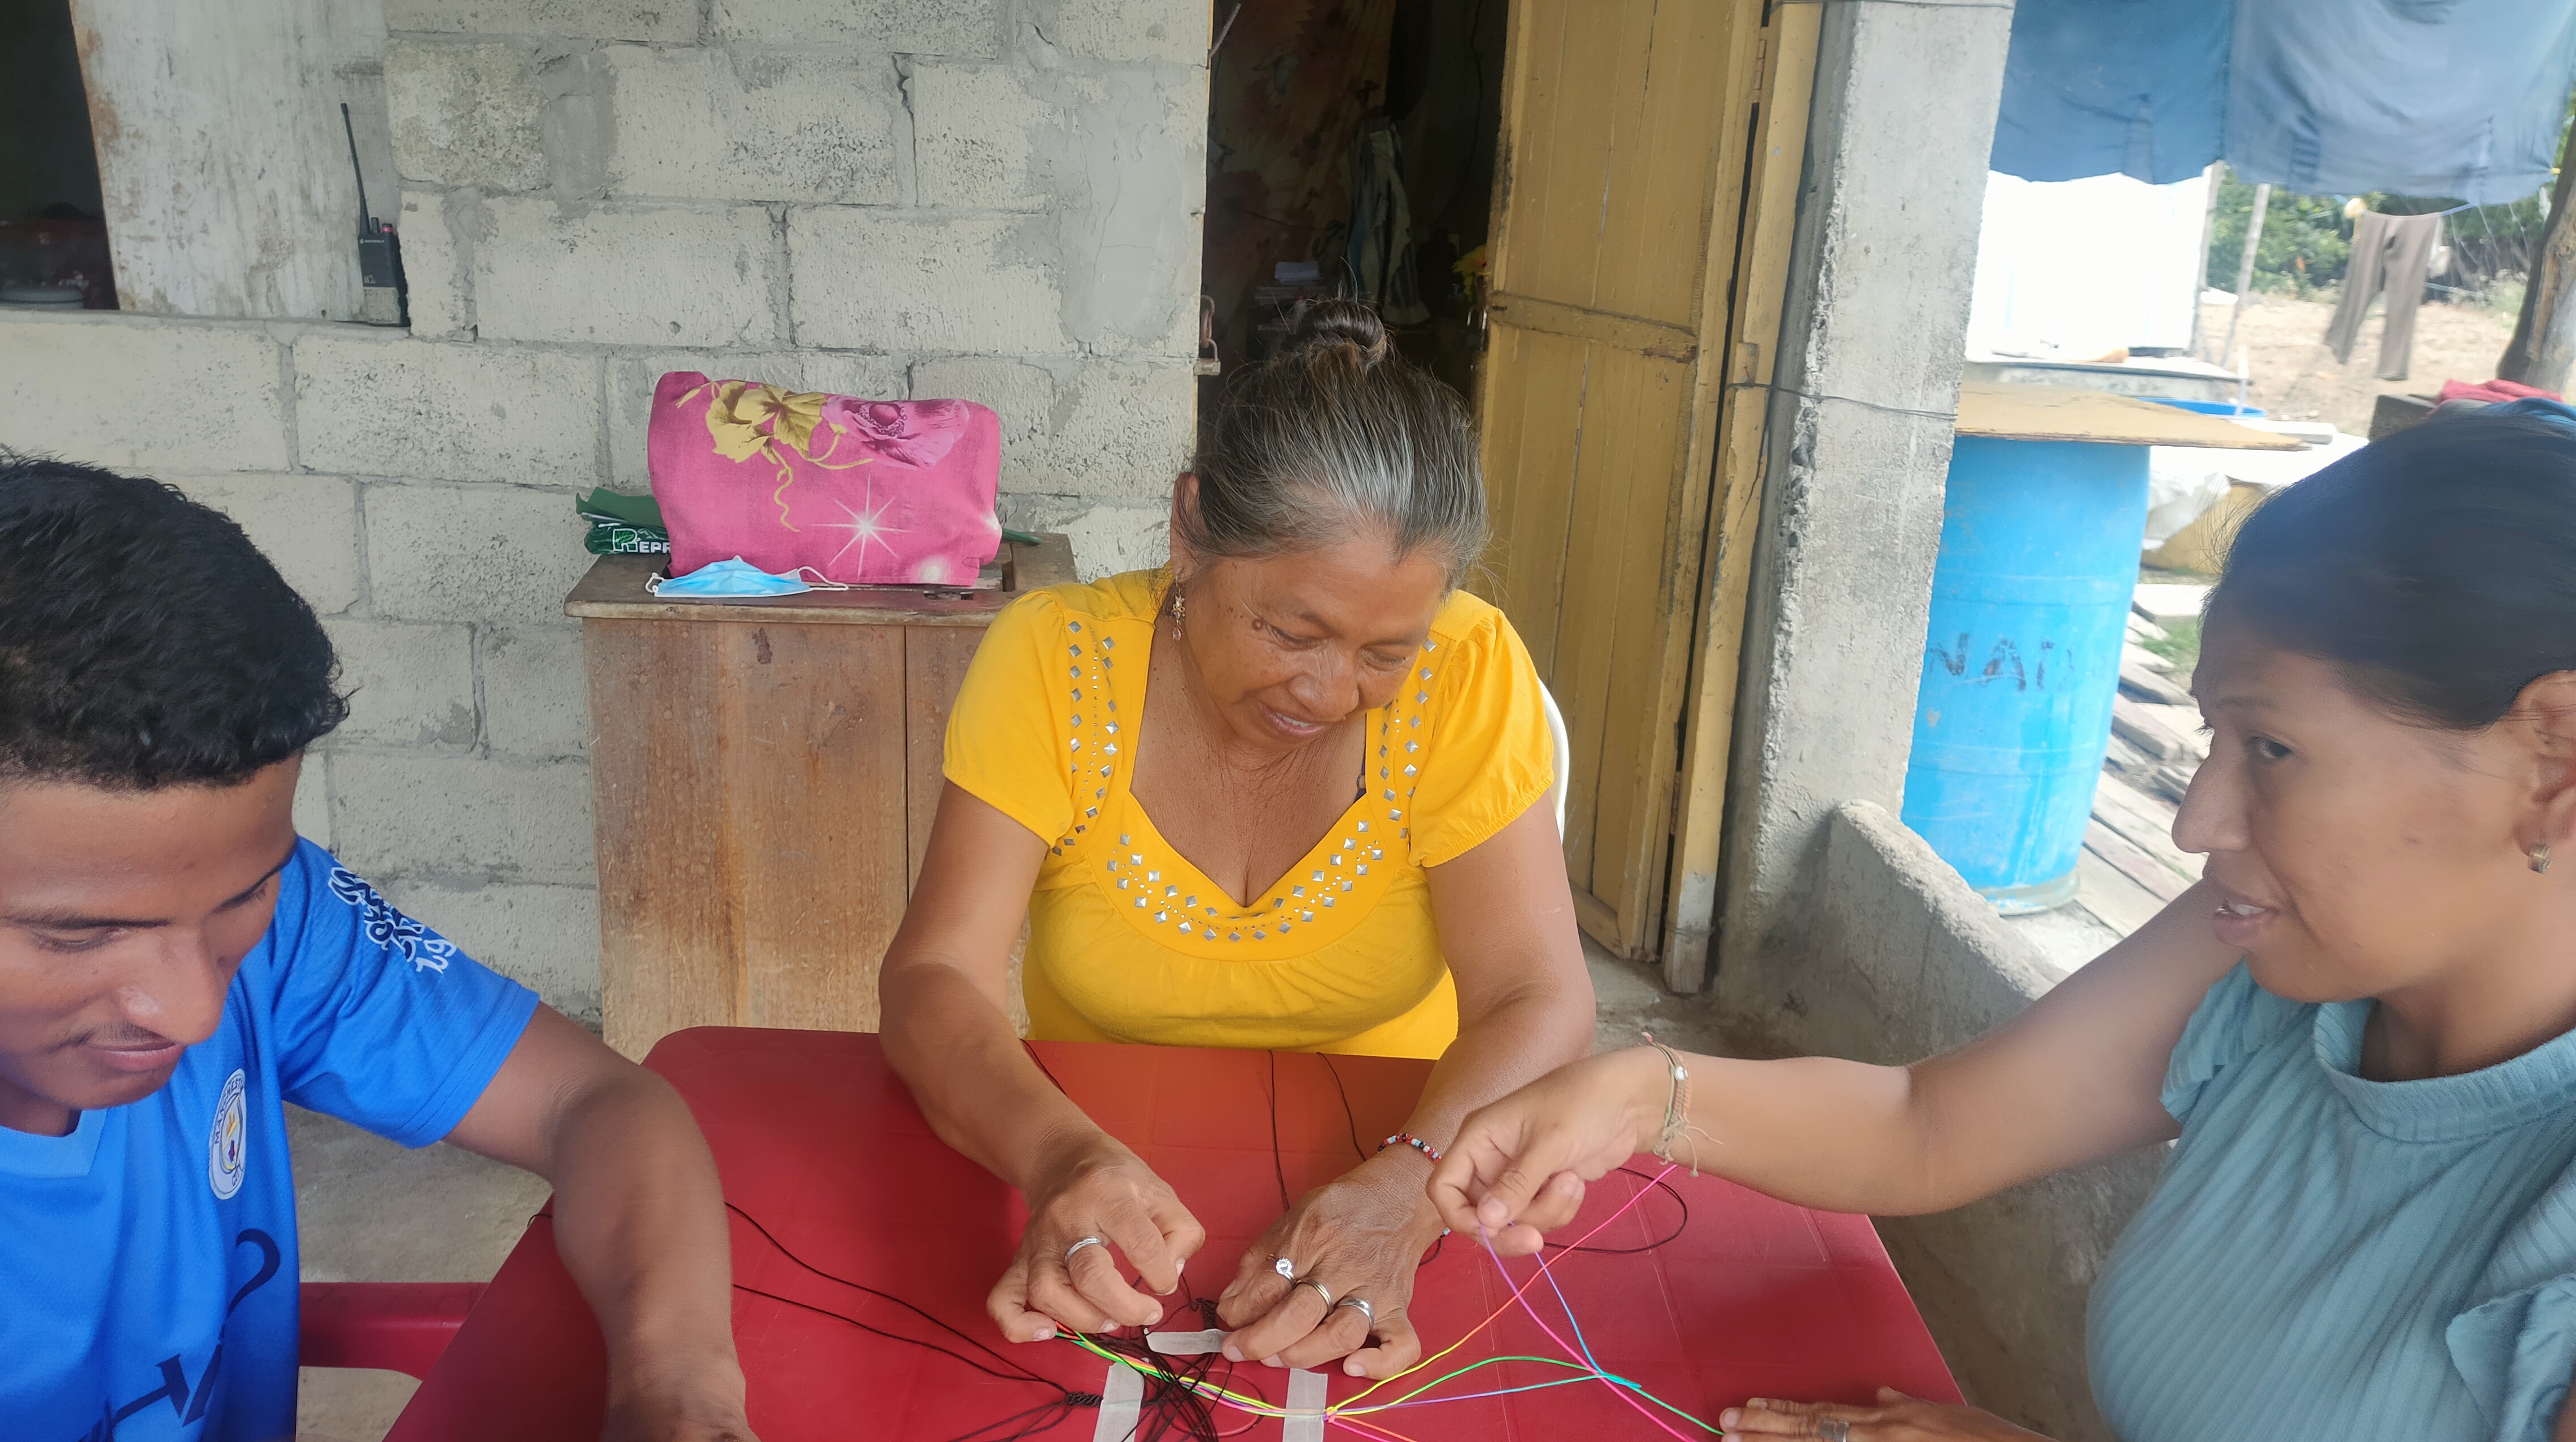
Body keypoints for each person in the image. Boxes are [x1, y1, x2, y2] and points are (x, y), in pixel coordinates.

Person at [1428, 401, 2576, 1441]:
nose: (2197, 821)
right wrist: (1640, 1095)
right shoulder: (2268, 952)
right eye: (2215, 741)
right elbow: (1931, 1124)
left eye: (2271, 749)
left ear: (2554, 757)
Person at [0, 447, 756, 1440]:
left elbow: (591, 1102)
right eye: (76, 936)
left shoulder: (287, 923)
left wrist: (678, 1390)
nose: (195, 1012)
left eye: (245, 895)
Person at [880, 301, 1595, 1380]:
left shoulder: (1467, 669)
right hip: (1096, 1161)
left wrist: (1409, 1190)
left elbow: (1539, 997)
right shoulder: (1055, 663)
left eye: (1385, 653)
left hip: (1412, 1151)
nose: (1330, 692)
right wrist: (1057, 1152)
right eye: (1289, 632)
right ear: (1191, 528)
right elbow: (935, 975)